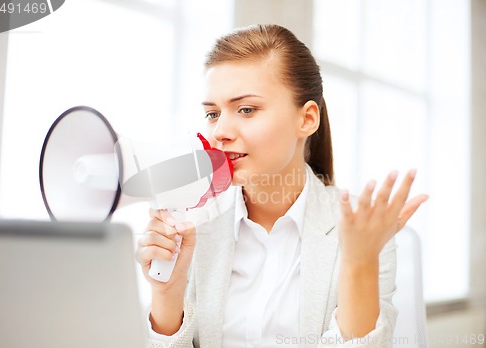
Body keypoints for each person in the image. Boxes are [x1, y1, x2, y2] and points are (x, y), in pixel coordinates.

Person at [136, 24, 428, 348]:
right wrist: (166, 293)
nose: (220, 131)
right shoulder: (194, 223)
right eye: (212, 113)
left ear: (306, 119)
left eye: (246, 109)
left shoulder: (361, 229)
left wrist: (359, 263)